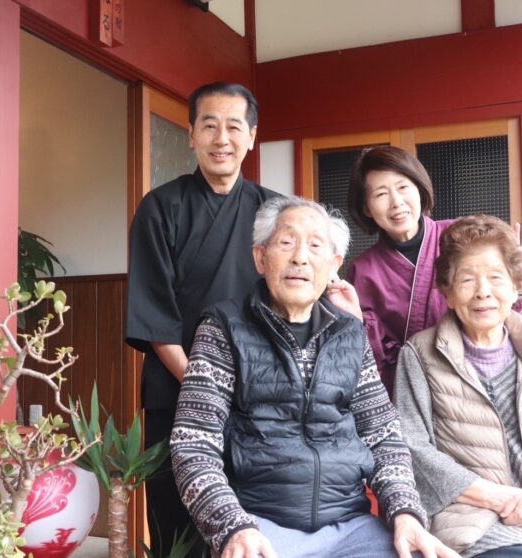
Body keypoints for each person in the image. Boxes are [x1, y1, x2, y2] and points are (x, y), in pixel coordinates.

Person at [171, 196, 459, 558]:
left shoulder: (351, 334)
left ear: (334, 265)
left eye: (315, 246)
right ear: (261, 258)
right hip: (261, 523)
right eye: (286, 242)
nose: (300, 258)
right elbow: (193, 443)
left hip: (350, 525)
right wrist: (233, 526)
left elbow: (383, 436)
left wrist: (405, 512)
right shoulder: (222, 329)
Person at [125, 82, 280, 556]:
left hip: (260, 400)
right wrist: (205, 389)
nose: (221, 138)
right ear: (191, 135)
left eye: (234, 126)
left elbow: (296, 302)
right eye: (209, 126)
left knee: (260, 528)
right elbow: (156, 318)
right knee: (180, 531)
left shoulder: (275, 213)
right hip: (179, 393)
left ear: (252, 136)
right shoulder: (160, 208)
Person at [394, 214, 522, 558]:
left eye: (496, 277)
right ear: (448, 293)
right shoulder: (419, 355)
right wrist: (503, 498)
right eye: (467, 279)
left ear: (516, 286)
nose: (483, 292)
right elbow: (412, 446)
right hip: (474, 521)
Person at [345, 145, 522, 397]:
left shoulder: (459, 237)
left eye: (403, 187)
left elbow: (498, 312)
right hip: (409, 385)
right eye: (381, 194)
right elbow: (370, 353)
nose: (396, 202)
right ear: (367, 208)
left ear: (419, 188)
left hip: (474, 376)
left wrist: (521, 283)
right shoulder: (363, 270)